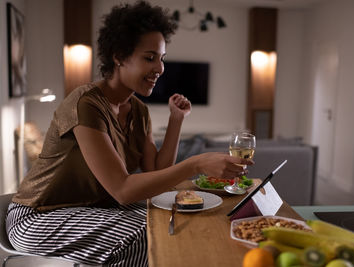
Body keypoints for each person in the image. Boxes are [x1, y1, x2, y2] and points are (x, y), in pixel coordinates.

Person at [6, 1, 252, 266]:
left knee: (175, 214)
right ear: (119, 56)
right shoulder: (86, 104)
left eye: (161, 58)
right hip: (38, 218)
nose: (160, 68)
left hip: (93, 208)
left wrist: (176, 120)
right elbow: (122, 189)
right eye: (149, 58)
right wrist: (196, 163)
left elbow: (157, 171)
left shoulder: (137, 110)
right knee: (144, 234)